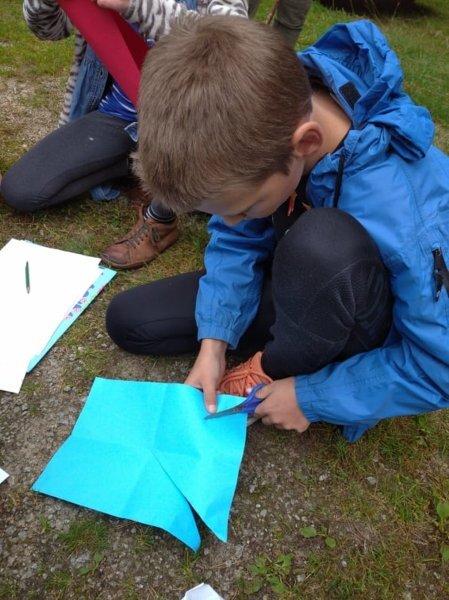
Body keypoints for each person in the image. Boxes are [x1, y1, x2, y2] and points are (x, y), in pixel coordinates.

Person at [106, 15, 449, 442]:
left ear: (306, 143)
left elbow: (438, 367)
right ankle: (278, 342)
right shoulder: (261, 120)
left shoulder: (409, 216)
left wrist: (312, 397)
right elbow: (237, 234)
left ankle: (280, 368)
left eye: (244, 208)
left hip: (357, 310)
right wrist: (215, 340)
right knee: (131, 321)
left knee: (323, 242)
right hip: (299, 277)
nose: (228, 222)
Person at [0, 0, 247, 270]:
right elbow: (49, 29)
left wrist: (134, 5)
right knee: (21, 190)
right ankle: (139, 167)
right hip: (118, 114)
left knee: (217, 170)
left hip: (184, 121)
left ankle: (160, 219)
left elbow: (229, 45)